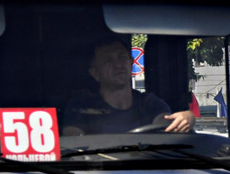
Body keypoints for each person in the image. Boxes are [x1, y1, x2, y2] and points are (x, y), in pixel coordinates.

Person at [62, 37, 194, 135]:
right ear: (95, 73)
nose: (118, 65)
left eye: (122, 57)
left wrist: (185, 119)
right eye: (108, 60)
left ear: (131, 63)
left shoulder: (149, 103)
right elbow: (73, 145)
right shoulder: (81, 107)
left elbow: (166, 124)